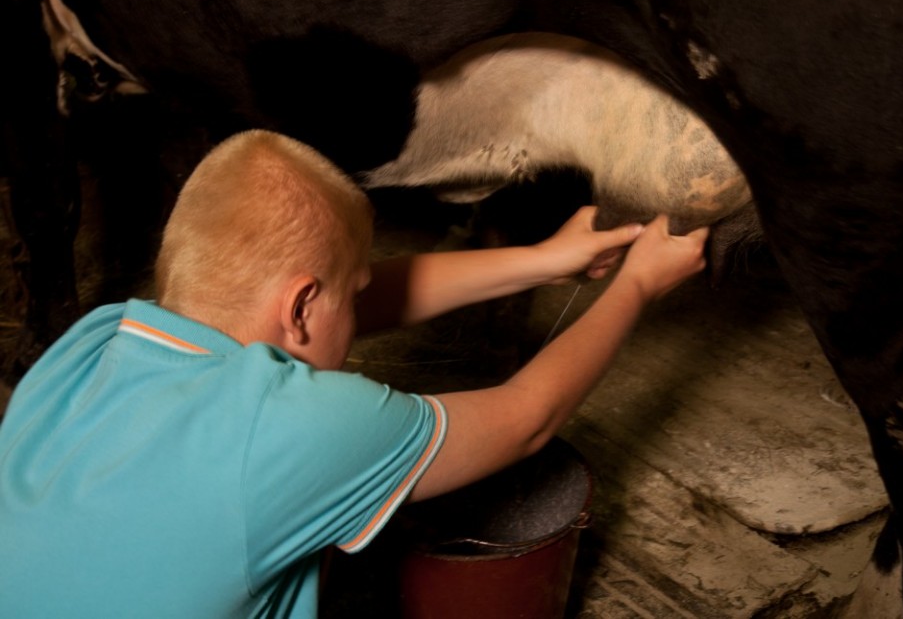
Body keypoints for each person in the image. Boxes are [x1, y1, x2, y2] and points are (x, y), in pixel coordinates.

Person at [0, 129, 709, 618]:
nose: (364, 301)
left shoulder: (95, 339)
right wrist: (638, 285)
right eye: (352, 289)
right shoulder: (295, 424)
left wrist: (544, 260)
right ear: (304, 303)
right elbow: (528, 418)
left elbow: (330, 310)